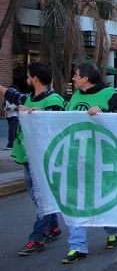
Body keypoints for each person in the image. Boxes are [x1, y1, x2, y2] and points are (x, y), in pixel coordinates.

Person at [62, 63, 117, 264]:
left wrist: (103, 111)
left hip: (101, 158)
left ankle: (114, 229)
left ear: (86, 78)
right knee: (75, 201)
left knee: (99, 199)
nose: (73, 78)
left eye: (76, 75)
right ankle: (77, 245)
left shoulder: (109, 94)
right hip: (76, 157)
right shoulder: (74, 97)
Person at [0, 62, 65, 256]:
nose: (26, 80)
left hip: (43, 160)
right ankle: (52, 227)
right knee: (40, 198)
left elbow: (58, 126)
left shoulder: (54, 100)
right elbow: (10, 94)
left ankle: (37, 237)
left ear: (35, 79)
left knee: (41, 198)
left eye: (28, 77)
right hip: (29, 158)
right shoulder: (29, 98)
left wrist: (39, 115)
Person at [4, 85, 18, 149]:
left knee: (11, 130)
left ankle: (11, 145)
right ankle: (14, 144)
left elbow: (20, 106)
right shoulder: (6, 98)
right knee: (13, 130)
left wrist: (14, 109)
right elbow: (4, 105)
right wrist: (4, 108)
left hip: (14, 115)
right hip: (8, 115)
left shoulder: (17, 98)